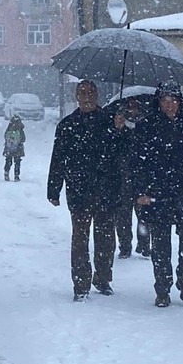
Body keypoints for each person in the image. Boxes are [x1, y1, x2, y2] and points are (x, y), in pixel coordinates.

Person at [132, 80, 183, 308]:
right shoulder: (146, 126)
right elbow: (136, 163)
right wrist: (140, 192)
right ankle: (162, 288)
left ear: (180, 101)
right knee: (160, 244)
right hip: (157, 193)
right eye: (165, 100)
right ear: (158, 102)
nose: (169, 105)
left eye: (173, 100)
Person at [48, 80, 125, 302]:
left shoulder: (110, 121)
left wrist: (119, 131)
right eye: (83, 93)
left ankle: (102, 278)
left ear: (97, 95)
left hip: (106, 188)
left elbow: (122, 153)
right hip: (79, 190)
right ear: (76, 97)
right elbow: (58, 159)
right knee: (79, 239)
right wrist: (54, 189)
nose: (87, 97)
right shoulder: (67, 125)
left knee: (105, 237)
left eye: (91, 93)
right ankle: (80, 283)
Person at [110, 96, 151, 259]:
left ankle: (144, 245)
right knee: (123, 215)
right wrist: (117, 130)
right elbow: (112, 149)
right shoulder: (119, 125)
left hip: (141, 178)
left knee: (144, 214)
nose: (132, 109)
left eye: (135, 107)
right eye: (129, 107)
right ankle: (125, 246)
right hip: (122, 177)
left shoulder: (145, 126)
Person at [2, 115, 25, 181]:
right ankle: (16, 175)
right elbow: (23, 139)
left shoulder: (9, 128)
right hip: (18, 148)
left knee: (8, 161)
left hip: (9, 148)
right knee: (17, 162)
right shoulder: (20, 129)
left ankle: (6, 172)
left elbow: (5, 136)